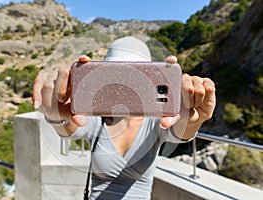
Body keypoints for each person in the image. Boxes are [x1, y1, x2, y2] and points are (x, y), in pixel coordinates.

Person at [32, 36, 216, 199]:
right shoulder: (98, 118)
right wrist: (56, 115)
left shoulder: (155, 121)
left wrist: (193, 119)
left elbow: (181, 132)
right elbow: (69, 129)